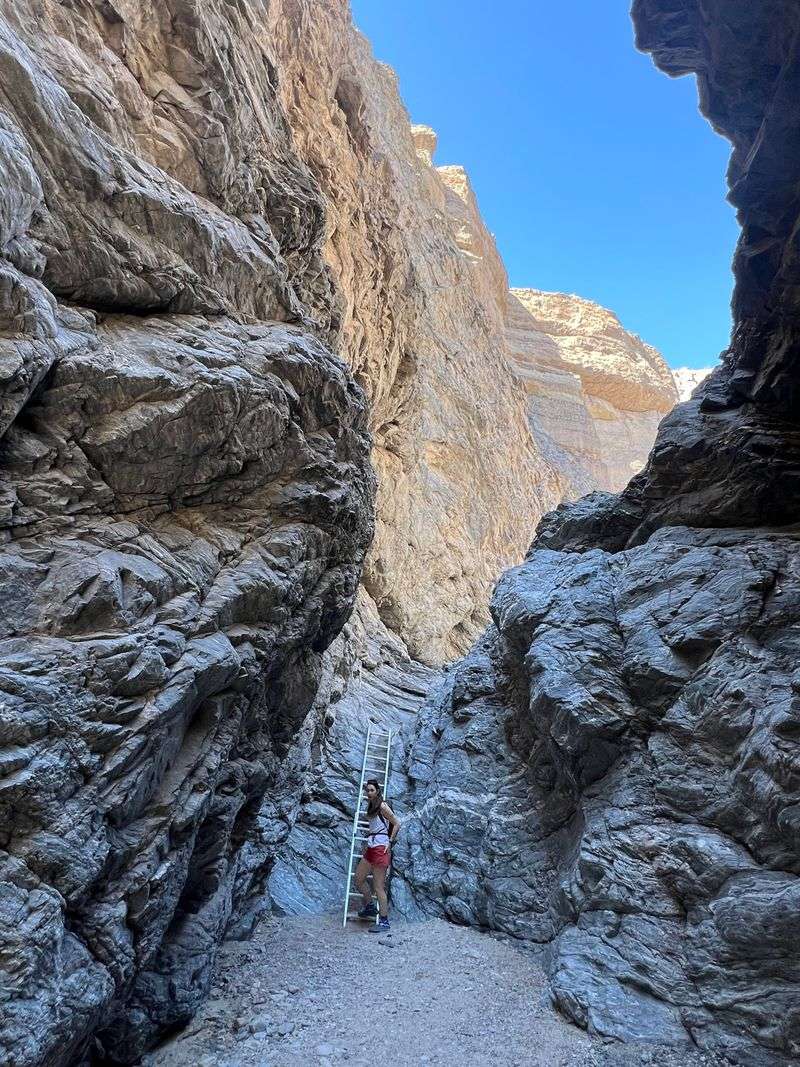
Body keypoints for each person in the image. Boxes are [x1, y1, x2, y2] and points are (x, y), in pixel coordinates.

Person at [354, 778, 400, 933]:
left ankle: (384, 922)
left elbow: (396, 823)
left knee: (379, 887)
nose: (369, 792)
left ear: (377, 791)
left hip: (381, 846)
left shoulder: (382, 805)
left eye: (372, 790)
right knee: (359, 878)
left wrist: (390, 841)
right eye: (367, 790)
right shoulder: (371, 805)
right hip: (372, 845)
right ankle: (369, 907)